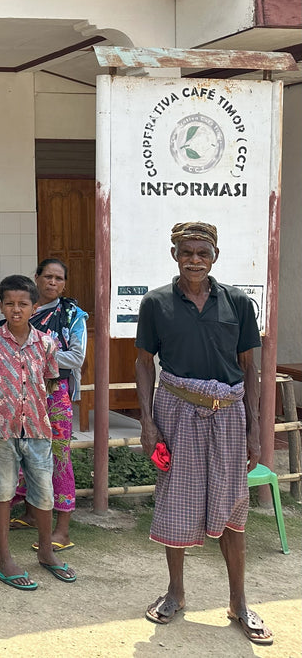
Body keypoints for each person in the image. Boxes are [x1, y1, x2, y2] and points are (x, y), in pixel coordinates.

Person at [135, 222, 271, 645]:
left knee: (233, 508)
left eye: (203, 253)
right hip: (175, 412)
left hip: (229, 416)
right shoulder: (156, 303)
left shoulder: (239, 303)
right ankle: (175, 593)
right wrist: (147, 420)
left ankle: (239, 603)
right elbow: (143, 363)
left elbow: (250, 369)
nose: (195, 259)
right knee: (176, 501)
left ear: (215, 255)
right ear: (174, 254)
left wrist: (253, 430)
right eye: (186, 252)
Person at [0, 274, 76, 591]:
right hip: (0, 430)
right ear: (1, 305)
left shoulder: (46, 343)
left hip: (37, 429)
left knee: (43, 492)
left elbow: (48, 380)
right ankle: (5, 557)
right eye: (10, 303)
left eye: (23, 304)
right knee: (2, 493)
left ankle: (46, 551)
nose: (16, 309)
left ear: (34, 307)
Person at [9, 258, 88, 548]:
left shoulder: (72, 315)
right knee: (26, 451)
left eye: (59, 278)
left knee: (59, 456)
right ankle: (31, 514)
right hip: (24, 392)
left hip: (55, 393)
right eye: (48, 276)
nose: (53, 282)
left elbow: (76, 357)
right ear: (37, 277)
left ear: (64, 283)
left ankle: (63, 530)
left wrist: (33, 354)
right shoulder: (24, 309)